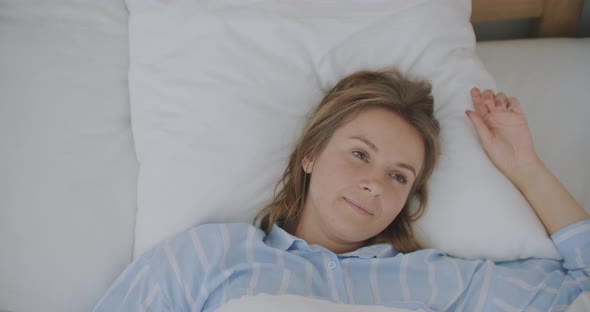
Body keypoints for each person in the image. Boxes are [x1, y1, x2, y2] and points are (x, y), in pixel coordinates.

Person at [93, 69, 589, 311]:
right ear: (309, 155)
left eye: (399, 176)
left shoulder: (440, 281)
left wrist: (526, 168)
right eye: (359, 153)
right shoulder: (210, 254)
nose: (375, 182)